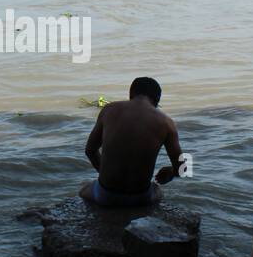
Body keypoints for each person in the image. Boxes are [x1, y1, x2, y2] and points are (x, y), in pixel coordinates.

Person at [79, 77, 185, 207]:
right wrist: (170, 172)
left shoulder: (109, 110)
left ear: (131, 95)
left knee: (84, 187)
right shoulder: (167, 123)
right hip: (141, 198)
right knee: (157, 190)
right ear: (157, 100)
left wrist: (106, 175)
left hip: (105, 196)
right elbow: (182, 169)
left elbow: (90, 150)